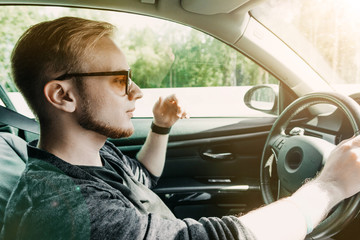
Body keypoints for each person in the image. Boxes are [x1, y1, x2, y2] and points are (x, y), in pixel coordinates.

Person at [1, 16, 360, 240]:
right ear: (62, 95)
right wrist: (329, 187)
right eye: (118, 80)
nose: (137, 91)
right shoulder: (68, 209)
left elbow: (141, 178)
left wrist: (160, 127)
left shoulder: (92, 153)